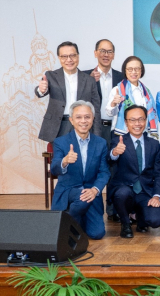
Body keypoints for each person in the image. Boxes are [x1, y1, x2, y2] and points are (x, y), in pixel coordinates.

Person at [50, 100, 110, 240]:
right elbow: (54, 169)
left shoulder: (100, 143)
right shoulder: (61, 142)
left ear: (93, 119)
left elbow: (104, 172)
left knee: (97, 234)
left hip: (90, 193)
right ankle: (67, 222)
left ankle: (72, 221)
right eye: (78, 117)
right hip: (68, 191)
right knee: (81, 199)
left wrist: (95, 190)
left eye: (87, 117)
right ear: (71, 120)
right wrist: (64, 161)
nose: (83, 121)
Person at [108, 105, 160, 238]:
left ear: (146, 121)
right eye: (132, 120)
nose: (137, 123)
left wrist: (157, 196)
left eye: (141, 119)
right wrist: (115, 152)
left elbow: (159, 173)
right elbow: (109, 160)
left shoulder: (154, 144)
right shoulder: (118, 141)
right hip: (125, 189)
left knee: (155, 221)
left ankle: (141, 217)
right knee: (122, 193)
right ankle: (126, 223)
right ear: (126, 122)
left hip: (145, 191)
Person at [36, 41, 101, 143]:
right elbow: (40, 90)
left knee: (81, 157)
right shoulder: (51, 76)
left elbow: (96, 109)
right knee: (60, 158)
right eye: (64, 56)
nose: (69, 60)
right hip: (58, 126)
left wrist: (97, 135)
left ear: (78, 56)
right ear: (59, 58)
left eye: (72, 56)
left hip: (82, 126)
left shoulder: (89, 80)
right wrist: (41, 90)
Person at [105, 56, 158, 139]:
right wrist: (113, 103)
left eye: (137, 69)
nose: (133, 72)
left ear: (141, 71)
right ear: (125, 71)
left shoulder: (147, 92)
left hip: (143, 134)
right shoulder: (117, 90)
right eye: (130, 69)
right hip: (122, 134)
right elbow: (109, 114)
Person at [82, 39, 123, 146]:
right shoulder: (84, 76)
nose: (106, 55)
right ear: (95, 53)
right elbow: (79, 100)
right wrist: (89, 81)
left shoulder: (122, 77)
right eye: (102, 51)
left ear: (113, 55)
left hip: (115, 129)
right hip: (93, 128)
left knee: (114, 161)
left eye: (109, 52)